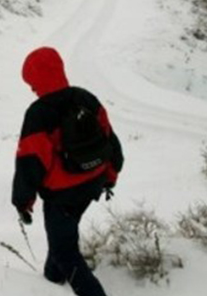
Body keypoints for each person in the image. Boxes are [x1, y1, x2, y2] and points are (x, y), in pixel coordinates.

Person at [11, 47, 123, 296]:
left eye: (31, 82)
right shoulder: (86, 98)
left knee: (65, 253)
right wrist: (110, 176)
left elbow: (29, 163)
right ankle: (51, 282)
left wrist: (23, 201)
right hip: (93, 183)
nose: (31, 88)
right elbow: (110, 140)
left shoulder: (38, 114)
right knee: (62, 239)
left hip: (61, 196)